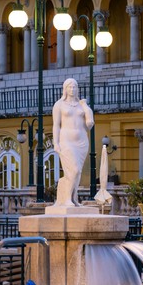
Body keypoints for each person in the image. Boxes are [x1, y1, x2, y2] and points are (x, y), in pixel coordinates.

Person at [52, 78, 94, 207]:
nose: (72, 89)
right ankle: (66, 200)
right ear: (65, 89)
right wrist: (56, 143)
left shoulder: (82, 105)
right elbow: (56, 125)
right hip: (66, 141)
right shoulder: (59, 104)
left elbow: (89, 124)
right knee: (73, 170)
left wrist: (86, 107)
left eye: (75, 87)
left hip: (82, 141)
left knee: (78, 172)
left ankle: (73, 198)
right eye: (70, 87)